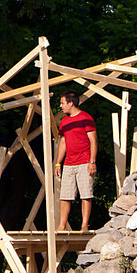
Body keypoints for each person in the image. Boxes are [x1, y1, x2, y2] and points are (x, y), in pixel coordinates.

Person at [54, 91, 97, 231]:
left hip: (84, 161)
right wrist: (58, 163)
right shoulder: (64, 121)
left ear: (71, 103)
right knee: (65, 195)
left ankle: (84, 224)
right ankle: (62, 225)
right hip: (69, 163)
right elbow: (63, 143)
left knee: (86, 194)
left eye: (62, 103)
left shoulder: (86, 118)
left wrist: (92, 161)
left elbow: (93, 141)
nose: (61, 106)